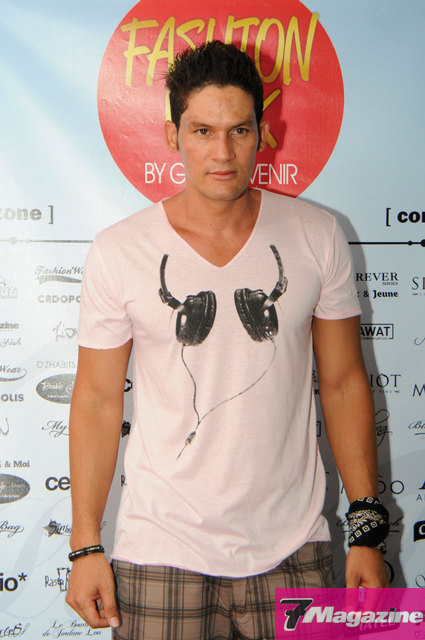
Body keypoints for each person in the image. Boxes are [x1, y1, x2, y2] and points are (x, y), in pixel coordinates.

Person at [66, 41, 389, 639]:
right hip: (159, 551)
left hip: (294, 549)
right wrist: (85, 545)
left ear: (264, 133)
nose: (222, 153)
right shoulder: (119, 250)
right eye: (203, 131)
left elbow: (344, 383)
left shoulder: (317, 235)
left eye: (239, 130)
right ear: (173, 136)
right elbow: (96, 399)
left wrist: (366, 528)